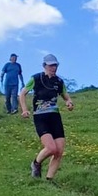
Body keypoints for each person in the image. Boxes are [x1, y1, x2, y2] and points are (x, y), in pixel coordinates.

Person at [19, 54, 74, 183]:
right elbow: (22, 94)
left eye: (55, 65)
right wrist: (25, 109)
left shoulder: (59, 82)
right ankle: (36, 163)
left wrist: (69, 103)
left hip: (55, 117)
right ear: (45, 66)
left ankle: (49, 180)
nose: (54, 68)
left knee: (59, 151)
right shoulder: (36, 78)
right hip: (40, 116)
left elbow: (66, 96)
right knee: (51, 148)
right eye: (51, 65)